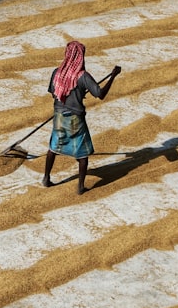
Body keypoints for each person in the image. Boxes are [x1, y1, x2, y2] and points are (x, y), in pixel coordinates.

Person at [42, 40, 121, 194]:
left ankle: (46, 178)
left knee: (53, 147)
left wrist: (73, 93)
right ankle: (80, 187)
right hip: (75, 119)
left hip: (58, 116)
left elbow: (54, 93)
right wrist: (113, 76)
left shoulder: (56, 73)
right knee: (82, 153)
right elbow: (100, 94)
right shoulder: (83, 76)